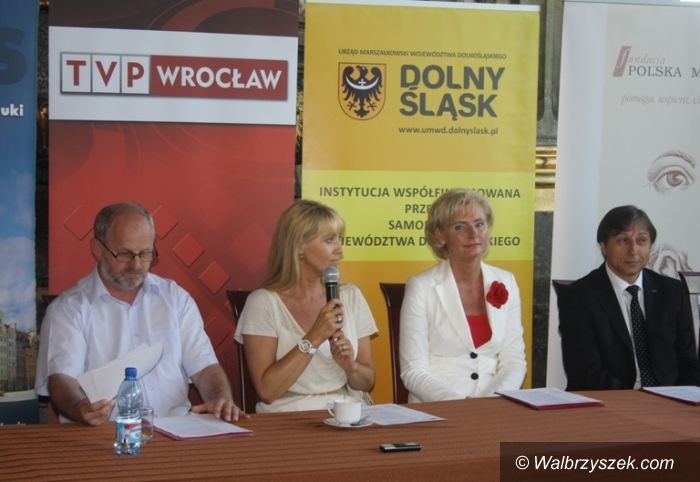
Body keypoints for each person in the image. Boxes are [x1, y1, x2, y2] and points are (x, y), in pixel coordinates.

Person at [35, 202, 245, 425]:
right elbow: (62, 379)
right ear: (98, 249)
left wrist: (220, 400)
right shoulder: (69, 309)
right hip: (105, 434)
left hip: (176, 430)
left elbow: (205, 369)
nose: (136, 265)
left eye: (145, 253)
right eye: (124, 254)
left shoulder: (175, 298)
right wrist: (79, 407)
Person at [234, 200, 377, 412]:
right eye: (329, 240)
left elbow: (367, 382)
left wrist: (351, 367)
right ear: (299, 247)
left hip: (347, 411)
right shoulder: (263, 303)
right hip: (288, 413)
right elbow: (267, 390)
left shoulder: (351, 295)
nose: (340, 249)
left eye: (340, 239)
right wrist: (315, 336)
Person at [399, 188, 527, 402]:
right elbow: (413, 371)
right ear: (440, 236)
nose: (473, 233)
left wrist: (489, 403)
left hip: (494, 404)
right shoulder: (420, 287)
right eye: (460, 227)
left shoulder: (507, 281)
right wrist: (460, 406)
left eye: (479, 224)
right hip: (439, 407)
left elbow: (514, 361)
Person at [557, 205, 700, 390]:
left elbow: (688, 362)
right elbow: (586, 373)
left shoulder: (671, 292)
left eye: (641, 240)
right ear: (604, 247)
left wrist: (681, 397)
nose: (633, 250)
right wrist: (636, 400)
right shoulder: (578, 296)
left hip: (668, 398)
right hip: (612, 399)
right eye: (623, 241)